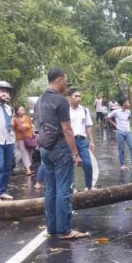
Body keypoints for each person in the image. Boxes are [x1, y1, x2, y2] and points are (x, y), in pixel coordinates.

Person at [36, 68, 86, 240]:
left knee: (51, 189)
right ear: (58, 80)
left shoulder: (40, 100)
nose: (66, 83)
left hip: (44, 148)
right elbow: (66, 128)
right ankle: (64, 230)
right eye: (65, 80)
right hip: (60, 148)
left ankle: (52, 227)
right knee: (64, 189)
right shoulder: (61, 100)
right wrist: (75, 153)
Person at [68, 88, 96, 191]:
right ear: (69, 98)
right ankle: (72, 188)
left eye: (79, 96)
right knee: (70, 165)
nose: (78, 98)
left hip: (82, 140)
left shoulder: (84, 110)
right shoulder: (65, 110)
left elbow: (88, 126)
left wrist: (91, 141)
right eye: (76, 96)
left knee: (87, 163)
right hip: (70, 141)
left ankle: (89, 186)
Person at [107, 96, 132, 170]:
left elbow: (129, 118)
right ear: (123, 104)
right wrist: (115, 125)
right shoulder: (116, 111)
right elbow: (108, 117)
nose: (129, 104)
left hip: (128, 132)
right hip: (120, 132)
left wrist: (128, 125)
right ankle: (122, 165)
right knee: (121, 149)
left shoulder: (128, 111)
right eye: (128, 102)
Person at [12, 105, 35, 176]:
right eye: (21, 110)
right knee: (25, 153)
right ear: (17, 112)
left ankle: (27, 167)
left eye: (23, 109)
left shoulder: (27, 118)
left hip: (30, 138)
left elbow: (31, 127)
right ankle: (28, 169)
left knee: (30, 153)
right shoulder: (15, 119)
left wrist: (33, 135)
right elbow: (12, 128)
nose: (23, 111)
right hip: (20, 139)